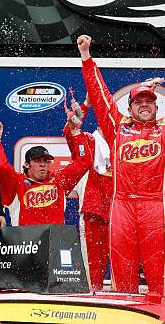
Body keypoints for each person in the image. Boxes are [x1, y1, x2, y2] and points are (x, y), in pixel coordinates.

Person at [77, 32, 165, 298]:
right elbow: (99, 97)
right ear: (130, 107)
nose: (145, 105)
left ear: (157, 108)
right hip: (121, 205)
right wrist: (87, 58)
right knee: (122, 278)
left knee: (159, 278)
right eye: (139, 102)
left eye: (149, 101)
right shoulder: (117, 128)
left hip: (154, 206)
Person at [0, 112, 92, 225]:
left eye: (46, 161)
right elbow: (0, 166)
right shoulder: (16, 182)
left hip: (55, 239)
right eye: (37, 161)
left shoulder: (59, 179)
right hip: (26, 240)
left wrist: (75, 132)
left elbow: (84, 162)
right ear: (27, 165)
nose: (43, 164)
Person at [62, 95, 113, 291]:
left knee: (124, 268)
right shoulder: (89, 140)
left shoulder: (124, 142)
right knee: (93, 271)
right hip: (94, 212)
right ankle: (92, 303)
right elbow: (70, 130)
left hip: (121, 213)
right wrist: (86, 105)